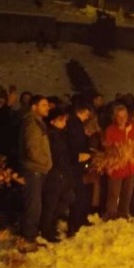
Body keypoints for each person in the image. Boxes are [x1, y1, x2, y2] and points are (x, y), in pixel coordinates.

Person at [19, 95, 51, 248]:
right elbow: (32, 148)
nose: (48, 108)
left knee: (35, 204)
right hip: (34, 169)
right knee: (33, 205)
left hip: (38, 169)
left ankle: (30, 236)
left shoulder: (37, 122)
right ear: (34, 107)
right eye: (44, 105)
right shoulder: (32, 123)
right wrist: (45, 162)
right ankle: (28, 239)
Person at [39, 108, 74, 243]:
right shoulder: (50, 135)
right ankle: (46, 230)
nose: (64, 123)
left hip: (63, 172)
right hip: (55, 172)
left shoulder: (60, 134)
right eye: (62, 120)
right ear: (53, 121)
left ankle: (50, 223)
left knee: (68, 197)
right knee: (51, 203)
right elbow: (54, 154)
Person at [102, 105, 134, 220]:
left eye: (124, 116)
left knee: (127, 192)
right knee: (114, 193)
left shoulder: (133, 128)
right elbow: (107, 148)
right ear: (115, 117)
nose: (122, 119)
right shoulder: (110, 130)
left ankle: (123, 212)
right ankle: (111, 214)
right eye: (119, 117)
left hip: (130, 165)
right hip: (116, 166)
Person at [66, 103, 93, 237]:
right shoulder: (74, 124)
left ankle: (79, 220)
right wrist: (80, 155)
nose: (88, 116)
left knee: (82, 193)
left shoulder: (77, 124)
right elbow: (74, 144)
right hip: (76, 164)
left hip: (80, 162)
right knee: (78, 194)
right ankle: (73, 225)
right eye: (87, 113)